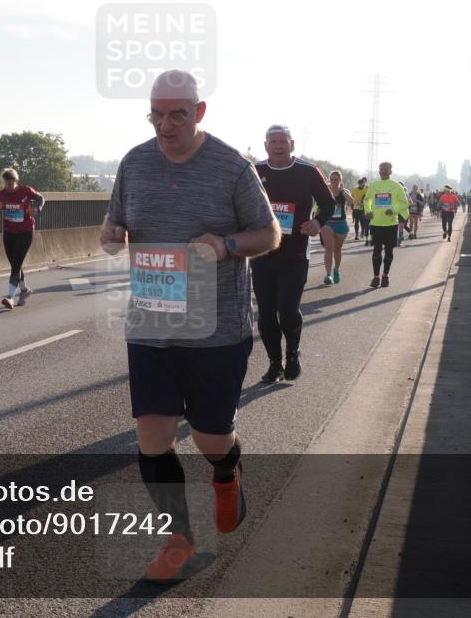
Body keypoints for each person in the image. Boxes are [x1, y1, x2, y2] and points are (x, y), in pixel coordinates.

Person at [101, 69, 280, 582]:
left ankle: (228, 474)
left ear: (199, 113)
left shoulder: (230, 167)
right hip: (151, 324)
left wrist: (225, 245)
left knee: (209, 440)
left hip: (216, 329)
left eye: (176, 114)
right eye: (155, 114)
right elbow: (117, 221)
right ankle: (178, 538)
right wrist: (112, 232)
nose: (164, 125)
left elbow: (268, 234)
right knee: (152, 437)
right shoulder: (134, 163)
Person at [253, 126, 335, 383]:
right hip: (262, 253)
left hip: (296, 253)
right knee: (266, 314)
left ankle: (293, 353)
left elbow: (329, 203)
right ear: (266, 145)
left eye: (283, 141)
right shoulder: (255, 171)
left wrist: (318, 222)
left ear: (292, 144)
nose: (278, 146)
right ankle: (275, 363)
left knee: (287, 309)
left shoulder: (307, 171)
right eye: (273, 141)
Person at [0, 168, 44, 308]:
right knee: (14, 263)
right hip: (9, 233)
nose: (9, 186)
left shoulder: (26, 191)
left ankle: (10, 297)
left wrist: (38, 208)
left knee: (16, 264)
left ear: (16, 181)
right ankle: (25, 290)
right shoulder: (0, 195)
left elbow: (41, 198)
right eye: (6, 183)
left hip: (25, 232)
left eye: (11, 182)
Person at [363, 161, 408, 288]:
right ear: (379, 171)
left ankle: (385, 276)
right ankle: (376, 277)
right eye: (381, 169)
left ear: (390, 171)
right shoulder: (374, 185)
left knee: (389, 252)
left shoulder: (396, 186)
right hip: (376, 224)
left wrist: (393, 210)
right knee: (376, 251)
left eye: (385, 169)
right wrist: (368, 211)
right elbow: (367, 200)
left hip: (390, 224)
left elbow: (404, 203)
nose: (382, 171)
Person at [319, 171, 352, 285]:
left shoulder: (344, 192)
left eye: (336, 179)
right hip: (327, 222)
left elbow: (352, 202)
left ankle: (336, 269)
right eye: (332, 179)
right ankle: (328, 275)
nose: (333, 181)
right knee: (328, 249)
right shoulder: (325, 190)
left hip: (341, 223)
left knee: (337, 250)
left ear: (340, 181)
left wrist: (344, 192)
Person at [351, 177, 370, 243]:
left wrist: (363, 200)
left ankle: (363, 233)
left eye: (363, 184)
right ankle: (356, 235)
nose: (362, 185)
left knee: (363, 222)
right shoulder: (355, 189)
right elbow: (352, 196)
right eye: (360, 184)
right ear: (358, 184)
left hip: (363, 208)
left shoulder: (366, 190)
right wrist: (353, 205)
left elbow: (367, 197)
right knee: (356, 221)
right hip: (356, 208)